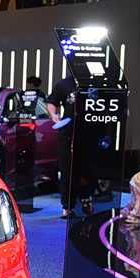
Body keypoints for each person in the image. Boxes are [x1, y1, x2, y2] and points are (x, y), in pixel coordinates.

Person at [47, 75, 93, 218]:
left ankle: (86, 199)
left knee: (87, 170)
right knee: (66, 170)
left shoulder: (94, 83)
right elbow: (52, 102)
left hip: (90, 133)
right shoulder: (64, 84)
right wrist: (53, 115)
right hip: (67, 133)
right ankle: (67, 206)